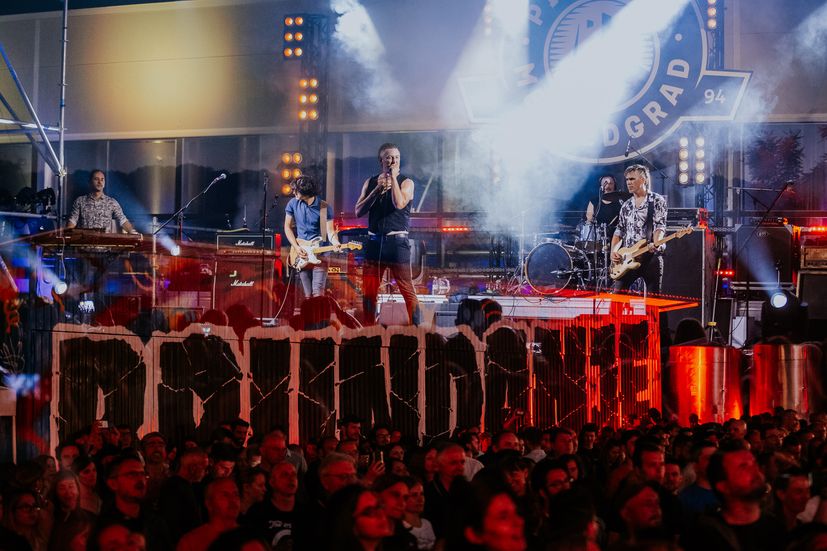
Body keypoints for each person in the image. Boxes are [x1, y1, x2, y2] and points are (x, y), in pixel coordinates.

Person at [355, 143, 421, 325]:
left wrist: (393, 181)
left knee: (407, 289)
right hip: (374, 242)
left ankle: (418, 330)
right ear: (381, 160)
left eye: (396, 157)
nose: (393, 161)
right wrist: (376, 190)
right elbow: (358, 211)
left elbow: (399, 203)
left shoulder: (407, 182)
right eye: (389, 157)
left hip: (397, 243)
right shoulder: (370, 182)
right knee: (369, 292)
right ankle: (369, 331)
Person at [610, 164, 668, 294]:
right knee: (617, 299)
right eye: (627, 180)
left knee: (654, 302)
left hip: (650, 257)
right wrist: (613, 252)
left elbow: (660, 226)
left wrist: (656, 242)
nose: (628, 183)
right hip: (628, 258)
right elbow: (618, 232)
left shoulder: (656, 200)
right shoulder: (626, 206)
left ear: (643, 180)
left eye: (632, 179)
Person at [284, 175, 340, 298]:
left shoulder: (324, 207)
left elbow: (329, 232)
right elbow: (287, 227)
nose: (293, 192)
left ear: (306, 192)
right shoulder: (293, 203)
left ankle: (319, 317)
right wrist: (296, 247)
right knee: (308, 295)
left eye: (296, 190)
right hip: (302, 253)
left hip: (320, 254)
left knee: (317, 294)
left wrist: (335, 242)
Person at [176, 478, 240, 551]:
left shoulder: (250, 539)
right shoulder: (191, 542)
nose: (233, 500)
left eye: (236, 495)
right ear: (209, 504)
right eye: (225, 495)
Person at [66, 170, 135, 233]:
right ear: (90, 182)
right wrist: (67, 233)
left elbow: (123, 221)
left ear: (104, 183)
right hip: (85, 244)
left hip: (105, 244)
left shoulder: (112, 202)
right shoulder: (80, 201)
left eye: (102, 180)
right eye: (96, 179)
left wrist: (133, 233)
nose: (100, 182)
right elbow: (72, 222)